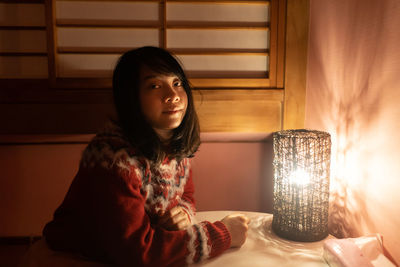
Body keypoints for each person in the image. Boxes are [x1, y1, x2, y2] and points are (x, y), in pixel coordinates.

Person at [43, 46, 250, 266]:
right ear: (131, 98)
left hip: (129, 247)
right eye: (155, 86)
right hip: (77, 255)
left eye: (177, 83)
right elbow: (138, 252)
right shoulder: (114, 160)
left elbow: (186, 195)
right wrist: (223, 233)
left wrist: (183, 213)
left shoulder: (172, 143)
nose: (172, 96)